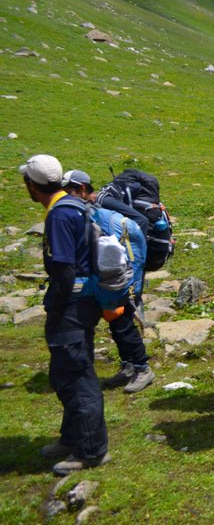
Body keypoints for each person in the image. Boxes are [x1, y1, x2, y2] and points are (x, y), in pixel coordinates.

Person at [21, 155, 109, 475]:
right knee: (72, 370)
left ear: (33, 184)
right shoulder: (75, 205)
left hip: (70, 306)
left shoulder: (60, 214)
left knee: (73, 376)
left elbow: (64, 270)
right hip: (86, 302)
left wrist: (54, 309)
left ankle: (91, 450)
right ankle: (72, 437)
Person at [62, 170, 154, 394]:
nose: (67, 196)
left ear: (83, 189)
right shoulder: (88, 211)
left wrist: (131, 274)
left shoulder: (102, 208)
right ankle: (128, 365)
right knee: (115, 322)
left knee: (121, 321)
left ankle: (143, 368)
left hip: (123, 273)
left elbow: (136, 224)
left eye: (70, 191)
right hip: (110, 274)